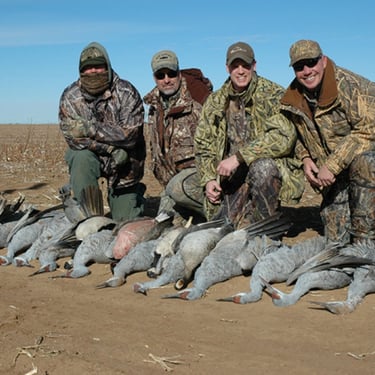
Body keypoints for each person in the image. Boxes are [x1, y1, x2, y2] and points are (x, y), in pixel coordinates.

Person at [194, 42, 305, 229]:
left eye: (245, 65)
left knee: (263, 169)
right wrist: (208, 179)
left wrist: (239, 157)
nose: (240, 71)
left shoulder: (273, 94)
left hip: (263, 168)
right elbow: (203, 143)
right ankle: (242, 207)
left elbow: (283, 137)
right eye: (235, 66)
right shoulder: (215, 101)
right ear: (227, 68)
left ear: (254, 66)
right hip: (231, 175)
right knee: (219, 226)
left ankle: (267, 229)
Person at [276, 39, 375, 243]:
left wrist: (331, 165)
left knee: (366, 163)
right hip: (336, 178)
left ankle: (366, 243)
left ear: (323, 60)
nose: (306, 70)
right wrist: (305, 158)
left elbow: (369, 129)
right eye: (299, 66)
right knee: (336, 239)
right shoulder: (294, 99)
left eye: (311, 62)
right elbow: (298, 135)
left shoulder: (353, 87)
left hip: (366, 170)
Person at [59, 41, 146, 221]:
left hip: (126, 163)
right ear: (81, 70)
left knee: (125, 222)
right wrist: (110, 149)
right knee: (79, 156)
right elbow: (73, 138)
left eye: (98, 66)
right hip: (95, 156)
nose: (93, 71)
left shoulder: (126, 92)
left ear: (107, 66)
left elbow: (130, 135)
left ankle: (135, 195)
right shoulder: (70, 96)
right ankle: (89, 214)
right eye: (88, 68)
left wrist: (89, 128)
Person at [143, 50, 212, 222]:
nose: (166, 79)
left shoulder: (199, 101)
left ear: (179, 74)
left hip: (202, 181)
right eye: (160, 75)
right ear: (154, 78)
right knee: (162, 222)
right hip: (173, 185)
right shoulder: (154, 108)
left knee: (177, 189)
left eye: (171, 74)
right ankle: (193, 213)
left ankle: (226, 214)